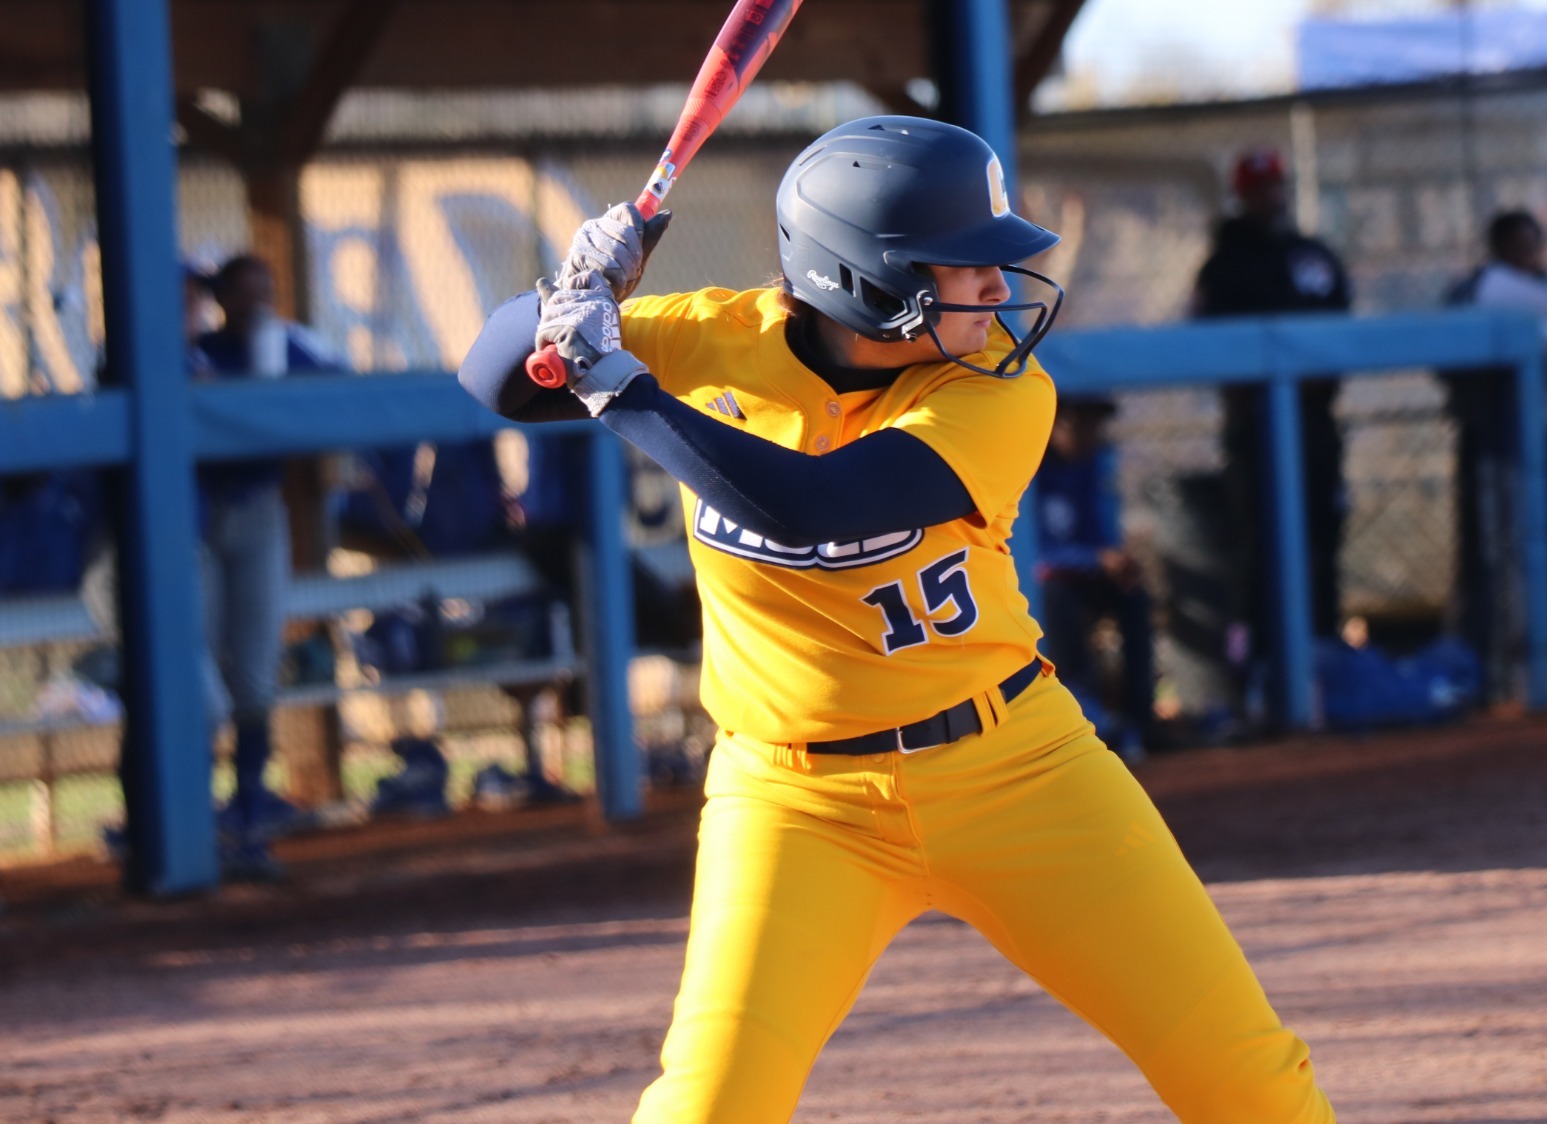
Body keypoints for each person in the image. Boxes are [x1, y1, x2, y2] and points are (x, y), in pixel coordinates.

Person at [459, 116, 1337, 1123]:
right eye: (967, 267)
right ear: (864, 279)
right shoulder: (719, 335)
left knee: (1244, 1077)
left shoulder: (997, 391)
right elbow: (491, 378)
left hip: (1017, 770)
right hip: (793, 801)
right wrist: (564, 300)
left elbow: (810, 503)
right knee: (707, 1105)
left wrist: (615, 383)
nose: (999, 288)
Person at [1191, 148, 1353, 728]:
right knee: (1260, 547)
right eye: (1260, 188)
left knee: (1323, 538)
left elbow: (1344, 332)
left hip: (1316, 427)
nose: (1272, 197)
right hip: (1254, 431)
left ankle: (1327, 665)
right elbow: (1210, 345)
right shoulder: (1224, 264)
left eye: (1277, 185)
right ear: (1242, 194)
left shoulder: (1313, 255)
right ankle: (1261, 676)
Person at [193, 254, 341, 878]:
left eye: (267, 291)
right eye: (243, 293)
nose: (256, 304)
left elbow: (340, 390)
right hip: (192, 518)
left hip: (259, 513)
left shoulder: (286, 348)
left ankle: (249, 817)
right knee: (195, 682)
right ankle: (192, 828)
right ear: (220, 298)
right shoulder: (197, 351)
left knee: (254, 679)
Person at [1442, 209, 1547, 699]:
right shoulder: (1467, 298)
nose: (1524, 257)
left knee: (1544, 552)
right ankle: (1483, 674)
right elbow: (1447, 364)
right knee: (1487, 559)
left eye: (1531, 247)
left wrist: (1538, 350)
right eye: (1513, 248)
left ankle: (1541, 669)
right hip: (1491, 438)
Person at [1032, 394, 1154, 761]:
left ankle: (1141, 719)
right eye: (1076, 424)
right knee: (1056, 597)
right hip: (1046, 585)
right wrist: (1095, 558)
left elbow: (1100, 536)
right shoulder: (1028, 467)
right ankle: (1086, 711)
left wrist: (1114, 560)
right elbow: (1035, 550)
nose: (1087, 435)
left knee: (1133, 595)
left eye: (1094, 427)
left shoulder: (1094, 465)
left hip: (1085, 575)